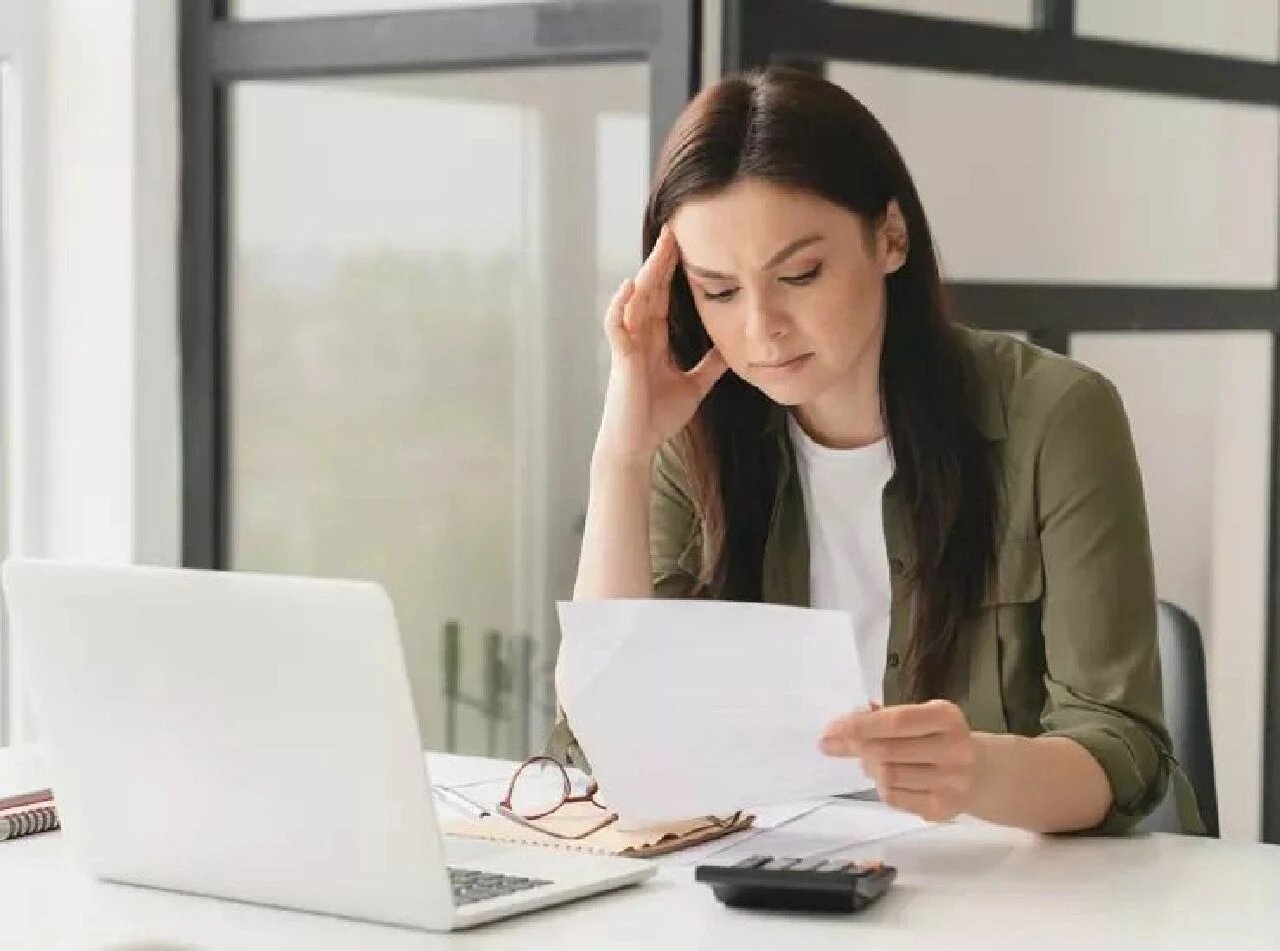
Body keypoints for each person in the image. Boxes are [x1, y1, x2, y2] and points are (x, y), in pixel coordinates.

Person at [547, 67, 1201, 835]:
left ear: (890, 236)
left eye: (800, 274)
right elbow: (601, 740)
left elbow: (1123, 745)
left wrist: (975, 770)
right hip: (791, 887)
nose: (762, 328)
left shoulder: (1055, 416)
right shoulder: (692, 435)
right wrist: (621, 455)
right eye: (719, 291)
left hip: (1029, 891)